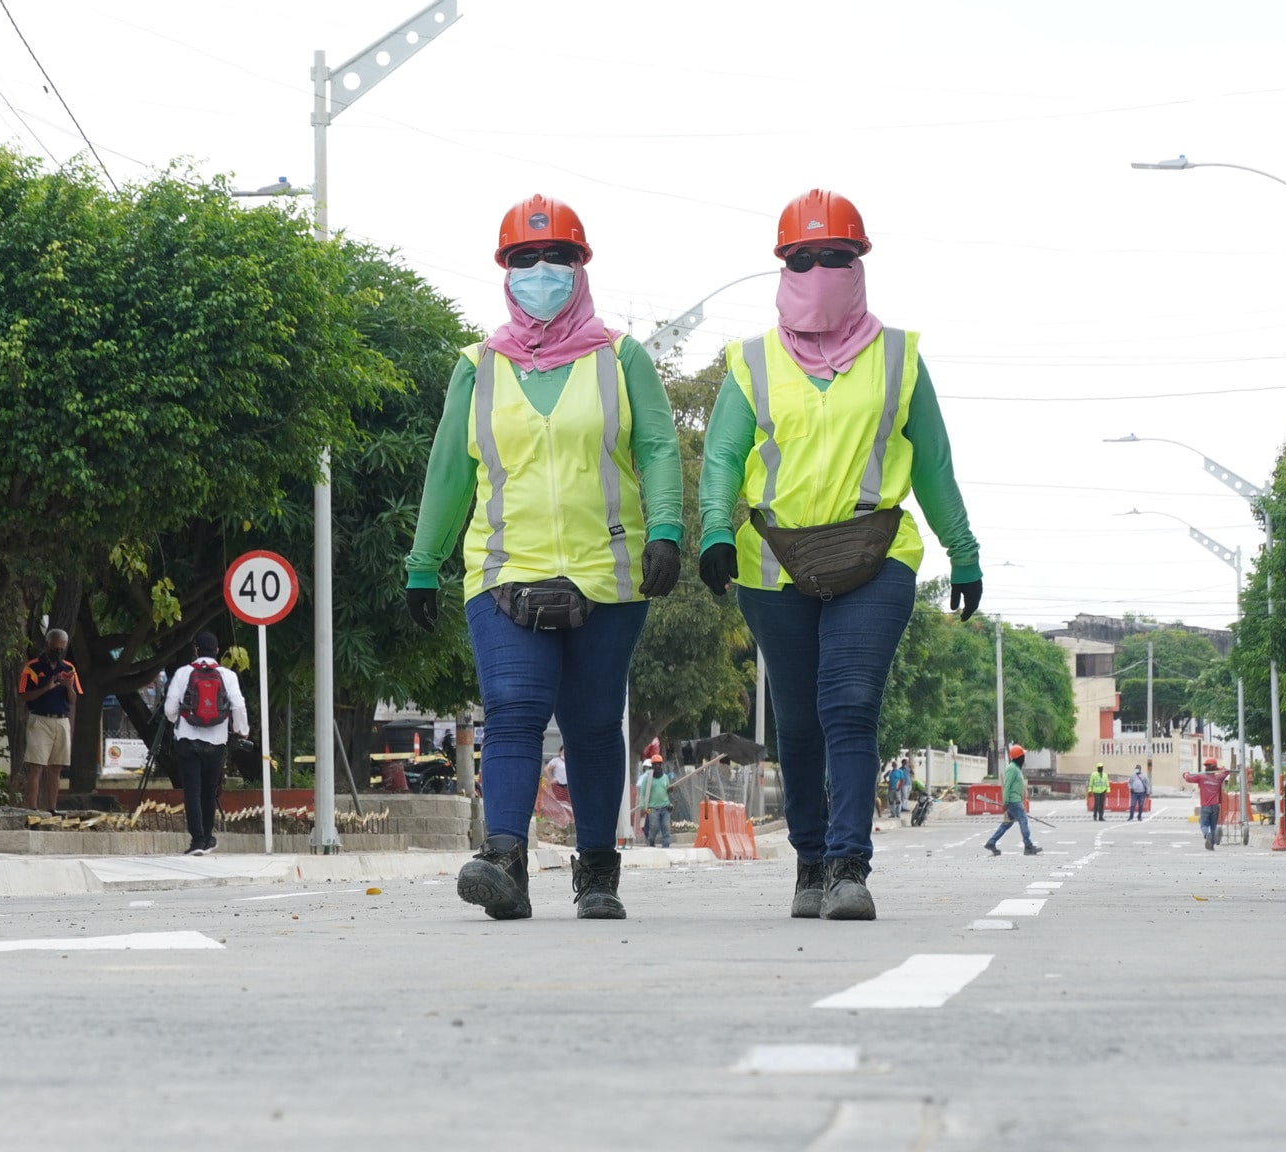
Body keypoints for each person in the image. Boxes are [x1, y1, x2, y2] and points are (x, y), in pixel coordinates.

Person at [698, 189, 980, 921]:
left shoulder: (899, 358)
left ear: (860, 266)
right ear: (783, 268)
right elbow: (725, 455)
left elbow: (935, 466)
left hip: (873, 550)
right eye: (804, 257)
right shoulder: (750, 361)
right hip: (774, 559)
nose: (821, 268)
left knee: (848, 705)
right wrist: (713, 532)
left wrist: (965, 550)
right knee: (798, 721)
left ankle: (851, 868)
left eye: (838, 256)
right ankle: (811, 861)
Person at [404, 195, 681, 921]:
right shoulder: (478, 366)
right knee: (514, 710)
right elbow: (448, 472)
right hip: (504, 569)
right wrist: (423, 562)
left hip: (609, 572)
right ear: (504, 271)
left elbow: (655, 446)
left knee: (592, 725)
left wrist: (668, 530)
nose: (540, 272)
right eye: (523, 259)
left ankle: (597, 873)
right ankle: (503, 860)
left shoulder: (621, 358)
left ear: (581, 267)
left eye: (556, 257)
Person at [161, 631, 250, 856]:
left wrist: (178, 721)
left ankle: (197, 840)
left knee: (192, 790)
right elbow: (238, 706)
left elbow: (170, 708)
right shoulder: (227, 675)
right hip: (216, 741)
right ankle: (208, 838)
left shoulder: (183, 673)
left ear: (196, 650)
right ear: (217, 651)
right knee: (209, 792)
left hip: (187, 740)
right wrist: (242, 732)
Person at [15, 629, 81, 815]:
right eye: (55, 648)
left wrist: (69, 687)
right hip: (40, 720)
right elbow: (23, 695)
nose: (58, 652)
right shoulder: (32, 667)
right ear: (47, 644)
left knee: (55, 768)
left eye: (61, 649)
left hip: (61, 721)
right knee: (36, 766)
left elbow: (74, 700)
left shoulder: (69, 668)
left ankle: (51, 809)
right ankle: (32, 809)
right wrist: (47, 687)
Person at [984, 745, 1040, 856]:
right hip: (1014, 801)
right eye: (1023, 756)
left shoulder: (1016, 768)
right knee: (1023, 820)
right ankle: (1028, 846)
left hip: (1015, 800)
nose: (1024, 758)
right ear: (1019, 757)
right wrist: (1005, 802)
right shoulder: (1011, 768)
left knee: (1007, 824)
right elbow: (1007, 786)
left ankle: (991, 842)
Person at [1184, 759, 1227, 850]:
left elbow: (1188, 778)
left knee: (1204, 825)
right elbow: (1226, 771)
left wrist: (1186, 773)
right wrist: (1217, 768)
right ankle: (1212, 844)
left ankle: (1207, 835)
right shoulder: (1218, 778)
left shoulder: (1201, 777)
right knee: (1213, 825)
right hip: (1215, 806)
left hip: (1205, 806)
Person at [642, 762, 673, 848]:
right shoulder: (647, 779)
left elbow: (668, 790)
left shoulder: (665, 777)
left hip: (665, 807)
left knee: (666, 828)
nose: (657, 766)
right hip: (652, 808)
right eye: (655, 764)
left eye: (659, 764)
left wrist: (670, 790)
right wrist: (643, 807)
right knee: (654, 827)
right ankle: (651, 841)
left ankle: (666, 847)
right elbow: (643, 793)